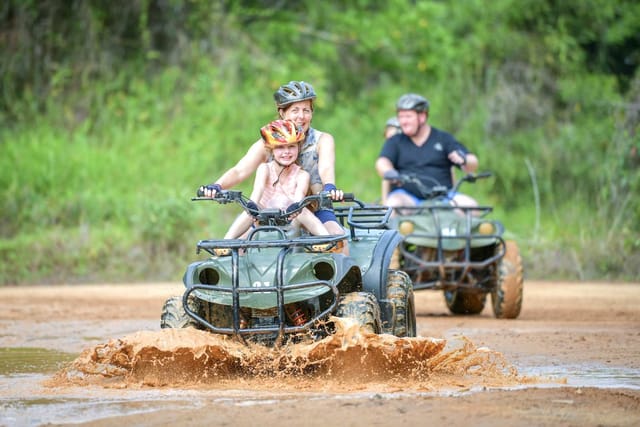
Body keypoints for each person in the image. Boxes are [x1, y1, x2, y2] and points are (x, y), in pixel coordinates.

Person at [199, 81, 345, 237]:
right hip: (274, 211)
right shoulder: (268, 143)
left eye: (306, 110)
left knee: (336, 237)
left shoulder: (322, 140)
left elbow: (326, 168)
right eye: (295, 110)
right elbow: (240, 170)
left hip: (316, 208)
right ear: (282, 112)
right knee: (237, 247)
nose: (301, 116)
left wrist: (330, 187)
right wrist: (216, 186)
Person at [223, 119, 330, 239]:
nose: (287, 152)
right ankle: (226, 242)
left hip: (290, 221)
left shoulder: (302, 175)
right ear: (271, 150)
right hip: (262, 220)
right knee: (249, 210)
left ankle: (327, 239)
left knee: (302, 211)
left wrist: (296, 207)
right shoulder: (265, 169)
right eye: (280, 147)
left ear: (298, 148)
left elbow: (299, 196)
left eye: (291, 146)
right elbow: (257, 191)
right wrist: (252, 206)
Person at [376, 93, 479, 209]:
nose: (403, 122)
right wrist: (390, 172)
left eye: (408, 117)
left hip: (444, 198)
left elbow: (473, 162)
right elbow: (382, 162)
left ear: (422, 117)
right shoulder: (395, 141)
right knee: (394, 204)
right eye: (401, 117)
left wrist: (464, 160)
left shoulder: (443, 139)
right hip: (407, 198)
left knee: (470, 206)